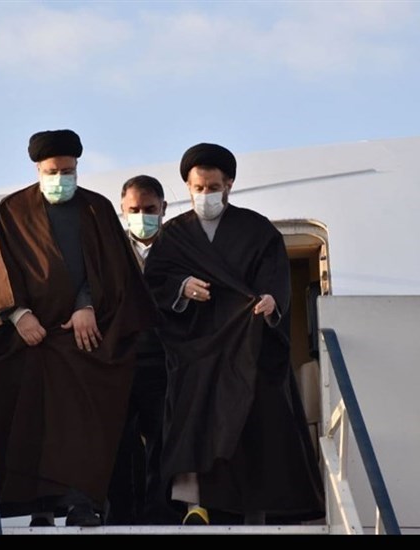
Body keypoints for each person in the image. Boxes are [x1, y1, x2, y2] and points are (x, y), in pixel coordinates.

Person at [0, 129, 157, 527]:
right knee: (32, 423)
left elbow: (116, 271)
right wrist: (19, 315)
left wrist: (86, 305)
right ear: (38, 169)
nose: (61, 179)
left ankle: (82, 502)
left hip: (85, 340)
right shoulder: (12, 211)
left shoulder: (97, 209)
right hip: (32, 342)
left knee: (83, 426)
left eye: (68, 171)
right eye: (53, 172)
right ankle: (39, 508)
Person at [143, 143, 325, 526]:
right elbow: (155, 282)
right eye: (198, 188)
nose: (205, 195)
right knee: (192, 422)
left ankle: (254, 512)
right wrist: (182, 287)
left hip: (247, 346)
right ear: (188, 187)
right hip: (195, 351)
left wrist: (271, 301)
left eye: (213, 187)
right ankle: (195, 507)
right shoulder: (173, 235)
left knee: (253, 425)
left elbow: (275, 281)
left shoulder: (257, 230)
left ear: (228, 185)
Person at [105, 175, 182, 526]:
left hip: (164, 357)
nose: (142, 216)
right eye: (134, 209)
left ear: (163, 208)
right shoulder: (109, 249)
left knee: (163, 439)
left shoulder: (180, 246)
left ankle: (161, 515)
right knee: (119, 442)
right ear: (122, 209)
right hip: (120, 358)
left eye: (149, 209)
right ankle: (120, 516)